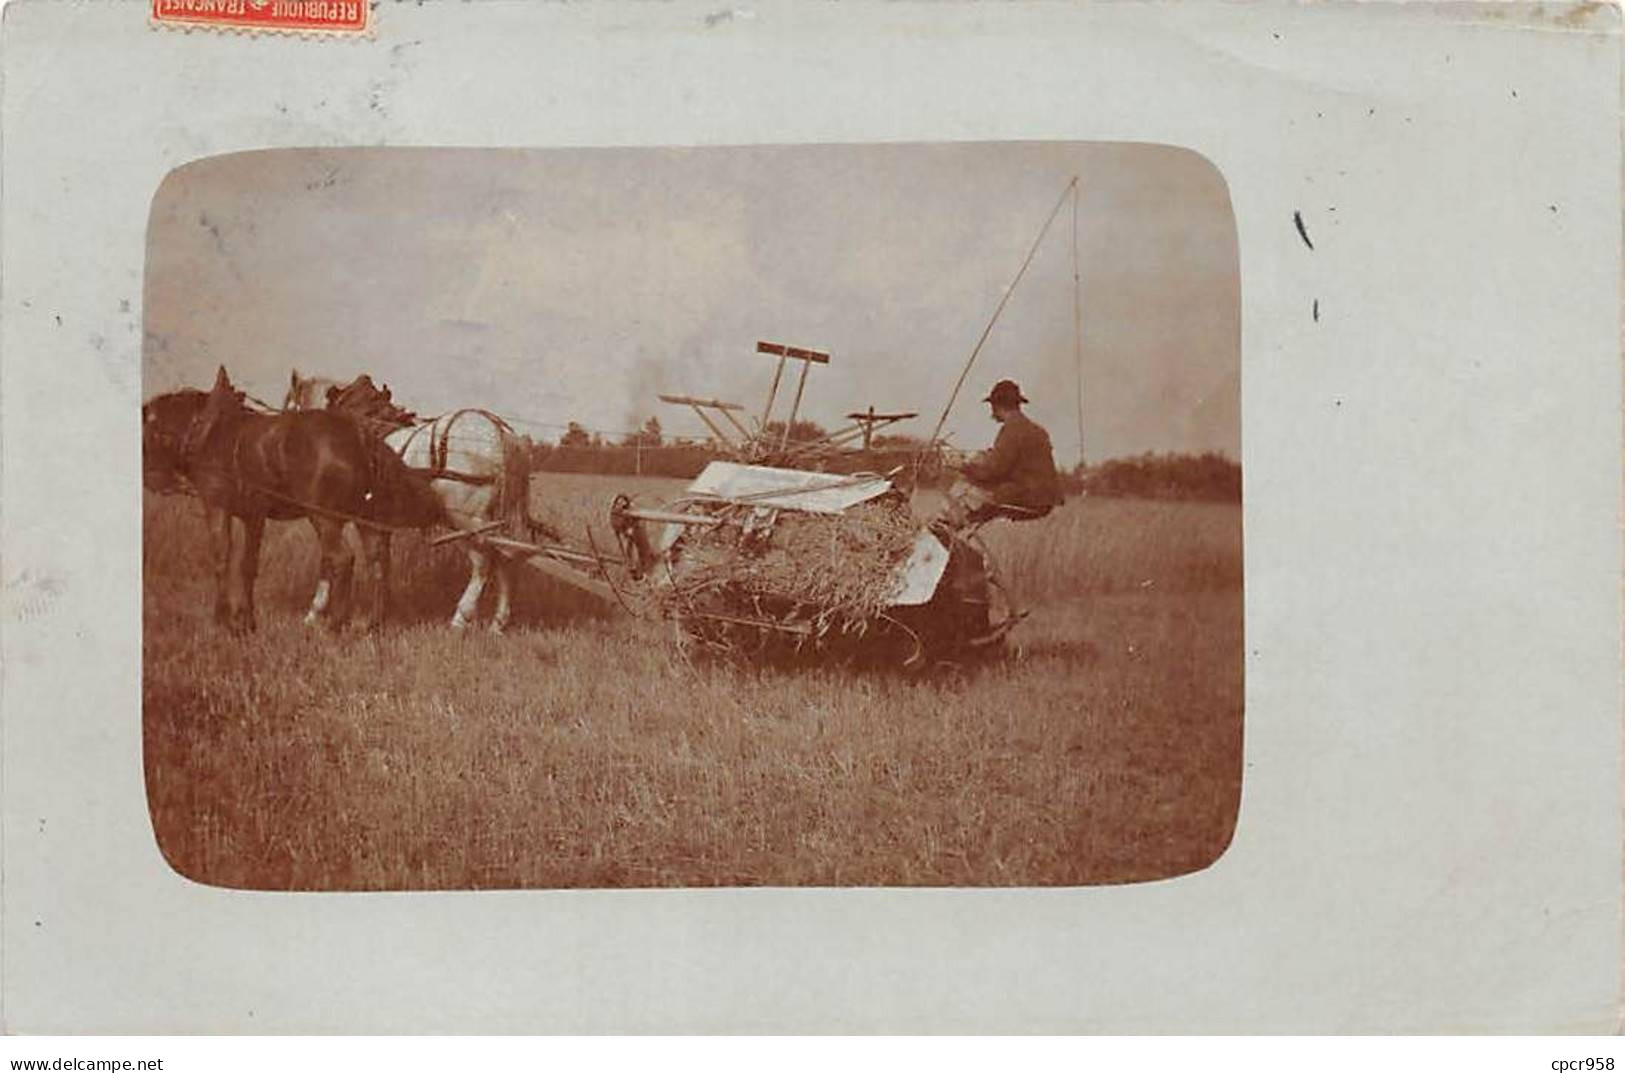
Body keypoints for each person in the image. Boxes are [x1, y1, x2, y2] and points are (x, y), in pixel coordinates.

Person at [957, 379, 1062, 523]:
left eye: (992, 406)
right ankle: (958, 526)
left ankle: (943, 530)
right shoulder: (1035, 430)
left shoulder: (1012, 430)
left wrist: (963, 467)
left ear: (997, 405)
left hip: (1027, 499)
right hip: (1044, 500)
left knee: (963, 489)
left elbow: (994, 471)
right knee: (979, 503)